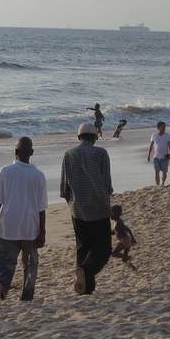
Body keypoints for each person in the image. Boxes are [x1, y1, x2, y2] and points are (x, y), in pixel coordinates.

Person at [0, 137, 47, 303]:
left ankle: (1, 287)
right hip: (30, 227)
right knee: (30, 264)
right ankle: (27, 295)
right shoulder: (39, 176)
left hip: (8, 227)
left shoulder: (5, 171)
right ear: (32, 152)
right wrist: (43, 231)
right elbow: (41, 207)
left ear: (15, 152)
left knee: (4, 262)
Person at [60, 122, 113, 295]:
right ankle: (86, 272)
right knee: (103, 249)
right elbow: (107, 184)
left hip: (77, 209)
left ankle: (86, 288)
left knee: (83, 247)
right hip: (98, 208)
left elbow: (64, 187)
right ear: (95, 137)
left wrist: (72, 203)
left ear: (79, 136)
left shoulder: (69, 154)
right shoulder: (101, 153)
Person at [110, 204, 137, 270]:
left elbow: (127, 229)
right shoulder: (117, 221)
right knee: (124, 259)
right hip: (128, 239)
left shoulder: (118, 223)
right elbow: (116, 231)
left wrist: (133, 239)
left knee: (114, 254)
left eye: (112, 213)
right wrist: (132, 239)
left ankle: (128, 257)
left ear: (116, 214)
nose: (110, 214)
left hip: (125, 240)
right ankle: (134, 268)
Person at [147, 121, 170, 186]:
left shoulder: (168, 135)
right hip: (156, 156)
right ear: (158, 128)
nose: (164, 128)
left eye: (165, 127)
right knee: (156, 171)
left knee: (164, 171)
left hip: (164, 156)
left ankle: (163, 184)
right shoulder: (154, 135)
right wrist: (148, 155)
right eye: (162, 127)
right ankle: (158, 185)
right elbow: (151, 145)